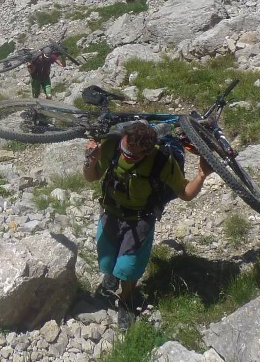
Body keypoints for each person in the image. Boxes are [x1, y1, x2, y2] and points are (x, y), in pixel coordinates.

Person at [83, 119, 213, 313]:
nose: (127, 158)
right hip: (110, 212)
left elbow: (185, 193)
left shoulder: (162, 160)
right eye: (125, 151)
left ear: (147, 151)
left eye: (134, 156)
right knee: (106, 260)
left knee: (128, 268)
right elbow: (92, 176)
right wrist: (90, 162)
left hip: (140, 220)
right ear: (123, 138)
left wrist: (201, 175)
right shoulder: (112, 144)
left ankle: (125, 301)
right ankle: (111, 275)